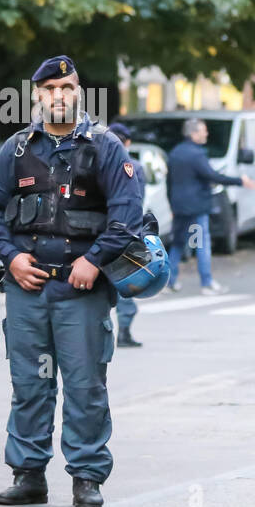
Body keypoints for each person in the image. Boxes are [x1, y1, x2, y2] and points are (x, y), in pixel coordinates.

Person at [0, 55, 145, 507]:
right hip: (28, 288)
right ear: (37, 96)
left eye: (66, 88)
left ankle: (87, 476)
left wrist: (94, 260)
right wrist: (11, 259)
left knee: (85, 384)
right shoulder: (16, 149)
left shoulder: (105, 147)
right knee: (30, 383)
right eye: (50, 90)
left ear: (79, 93)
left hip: (82, 290)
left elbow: (127, 216)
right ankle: (28, 473)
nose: (58, 96)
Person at [165, 118, 255, 294]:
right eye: (203, 130)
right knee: (202, 244)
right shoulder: (196, 154)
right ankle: (207, 283)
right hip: (196, 208)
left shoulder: (175, 153)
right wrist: (239, 180)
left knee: (178, 243)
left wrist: (172, 205)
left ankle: (169, 281)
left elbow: (169, 182)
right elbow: (212, 176)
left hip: (179, 207)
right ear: (193, 133)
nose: (206, 133)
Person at [107, 122, 144, 347]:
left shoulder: (94, 159)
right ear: (128, 142)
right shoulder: (135, 166)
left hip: (98, 232)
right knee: (125, 282)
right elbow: (139, 201)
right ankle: (124, 331)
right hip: (127, 233)